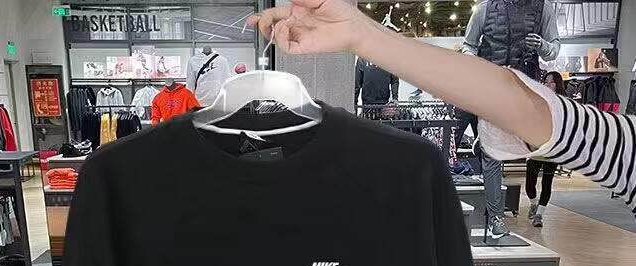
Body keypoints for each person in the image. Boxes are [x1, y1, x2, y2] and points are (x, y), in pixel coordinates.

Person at [249, 0, 635, 217]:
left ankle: (496, 218)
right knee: (471, 151)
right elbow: (539, 113)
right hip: (486, 96)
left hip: (499, 101)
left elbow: (544, 113)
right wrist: (360, 35)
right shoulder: (485, 12)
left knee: (488, 159)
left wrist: (362, 37)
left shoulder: (544, 10)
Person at [462, 0, 561, 238]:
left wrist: (543, 45)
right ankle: (495, 219)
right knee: (492, 154)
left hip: (524, 90)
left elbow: (554, 49)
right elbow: (468, 45)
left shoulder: (543, 8)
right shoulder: (485, 8)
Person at [525, 71, 565, 227]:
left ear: (557, 84)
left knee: (547, 183)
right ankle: (533, 204)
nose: (548, 85)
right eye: (546, 82)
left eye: (551, 82)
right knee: (530, 183)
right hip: (536, 147)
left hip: (553, 148)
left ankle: (539, 215)